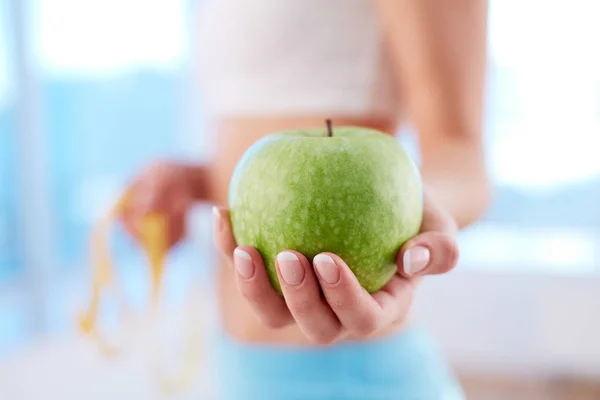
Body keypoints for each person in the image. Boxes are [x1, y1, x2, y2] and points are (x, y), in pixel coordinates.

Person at [121, 0, 491, 398]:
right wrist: (195, 182)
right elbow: (268, 149)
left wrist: (413, 208)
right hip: (241, 371)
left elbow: (460, 158)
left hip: (354, 378)